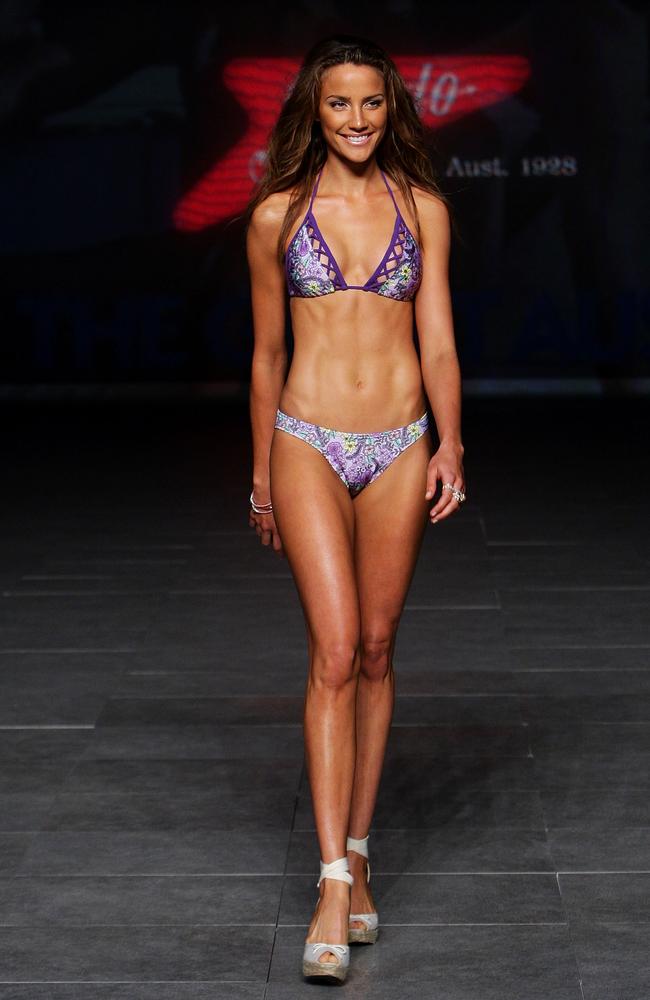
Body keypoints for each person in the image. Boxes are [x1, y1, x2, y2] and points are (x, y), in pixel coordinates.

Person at [245, 34, 466, 983]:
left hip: (399, 441)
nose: (358, 120)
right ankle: (332, 881)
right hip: (306, 440)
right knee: (333, 650)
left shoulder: (424, 210)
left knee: (377, 648)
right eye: (340, 105)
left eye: (372, 103)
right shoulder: (274, 217)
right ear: (313, 111)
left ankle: (362, 851)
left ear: (392, 109)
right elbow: (263, 357)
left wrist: (451, 442)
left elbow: (442, 341)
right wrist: (260, 474)